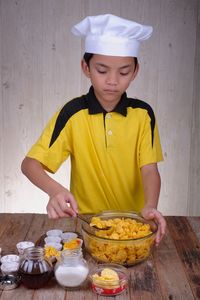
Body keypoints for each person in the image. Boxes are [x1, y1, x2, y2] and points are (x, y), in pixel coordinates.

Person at [21, 14, 166, 245]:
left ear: (135, 71)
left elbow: (149, 169)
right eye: (102, 70)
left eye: (124, 72)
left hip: (133, 228)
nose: (112, 80)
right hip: (86, 226)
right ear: (85, 67)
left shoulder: (143, 114)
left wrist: (150, 206)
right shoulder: (72, 113)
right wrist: (55, 191)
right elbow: (30, 164)